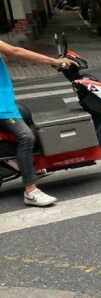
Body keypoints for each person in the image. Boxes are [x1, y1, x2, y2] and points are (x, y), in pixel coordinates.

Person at [0, 42, 77, 206]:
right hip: (2, 106)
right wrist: (53, 61)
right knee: (26, 137)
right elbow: (16, 51)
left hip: (6, 100)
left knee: (26, 114)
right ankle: (31, 191)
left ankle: (23, 163)